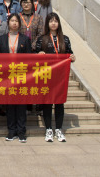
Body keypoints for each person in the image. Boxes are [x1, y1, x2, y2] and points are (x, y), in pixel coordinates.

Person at [35, 12, 75, 143]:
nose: (53, 23)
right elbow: (35, 54)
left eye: (55, 21)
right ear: (47, 24)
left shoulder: (65, 39)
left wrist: (72, 57)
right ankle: (48, 129)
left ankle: (58, 129)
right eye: (51, 21)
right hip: (46, 75)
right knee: (47, 103)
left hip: (60, 76)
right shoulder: (42, 39)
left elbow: (69, 53)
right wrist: (39, 54)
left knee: (59, 103)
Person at [0, 13, 33, 143]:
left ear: (19, 24)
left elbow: (29, 58)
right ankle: (11, 130)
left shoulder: (25, 39)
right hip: (7, 76)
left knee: (21, 105)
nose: (14, 23)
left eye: (16, 21)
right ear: (8, 23)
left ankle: (21, 131)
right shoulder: (2, 39)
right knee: (10, 105)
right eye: (12, 20)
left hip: (21, 75)